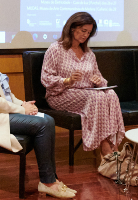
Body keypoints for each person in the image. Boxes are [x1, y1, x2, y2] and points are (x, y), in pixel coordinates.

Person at [0, 23, 76, 199]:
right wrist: (21, 109)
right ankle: (48, 182)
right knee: (43, 124)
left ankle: (51, 179)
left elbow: (5, 93)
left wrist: (23, 104)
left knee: (48, 119)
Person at [41, 12, 125, 160]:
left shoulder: (88, 53)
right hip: (60, 95)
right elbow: (46, 78)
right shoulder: (56, 49)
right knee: (97, 96)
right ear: (72, 28)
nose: (86, 35)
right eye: (83, 31)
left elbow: (100, 78)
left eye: (89, 32)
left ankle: (114, 144)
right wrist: (67, 81)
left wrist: (98, 81)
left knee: (111, 94)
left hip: (87, 94)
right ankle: (105, 146)